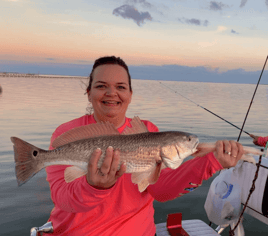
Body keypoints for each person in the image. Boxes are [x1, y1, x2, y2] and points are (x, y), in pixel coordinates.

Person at [43, 56, 244, 236]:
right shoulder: (67, 133)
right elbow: (63, 198)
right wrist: (93, 186)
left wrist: (211, 161)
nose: (111, 93)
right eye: (101, 86)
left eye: (121, 87)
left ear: (130, 94)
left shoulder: (148, 130)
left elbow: (161, 190)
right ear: (88, 93)